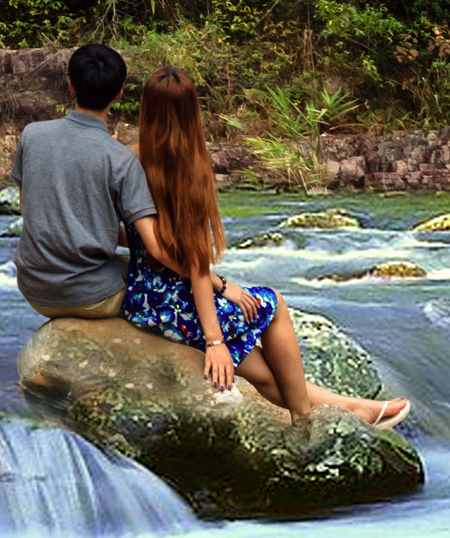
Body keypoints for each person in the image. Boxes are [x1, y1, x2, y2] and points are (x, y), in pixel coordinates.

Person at [123, 67, 408, 429]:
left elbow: (136, 239)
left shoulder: (126, 160)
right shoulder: (189, 169)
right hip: (175, 307)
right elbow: (193, 262)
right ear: (192, 113)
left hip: (142, 299)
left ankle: (355, 409)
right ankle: (306, 419)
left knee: (268, 375)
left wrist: (219, 284)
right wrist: (214, 340)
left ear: (145, 109)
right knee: (270, 303)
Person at [12, 42, 154, 320]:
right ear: (119, 94)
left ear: (71, 86)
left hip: (34, 291)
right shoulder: (121, 159)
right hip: (95, 297)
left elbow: (28, 208)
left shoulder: (31, 135)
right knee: (158, 278)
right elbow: (151, 243)